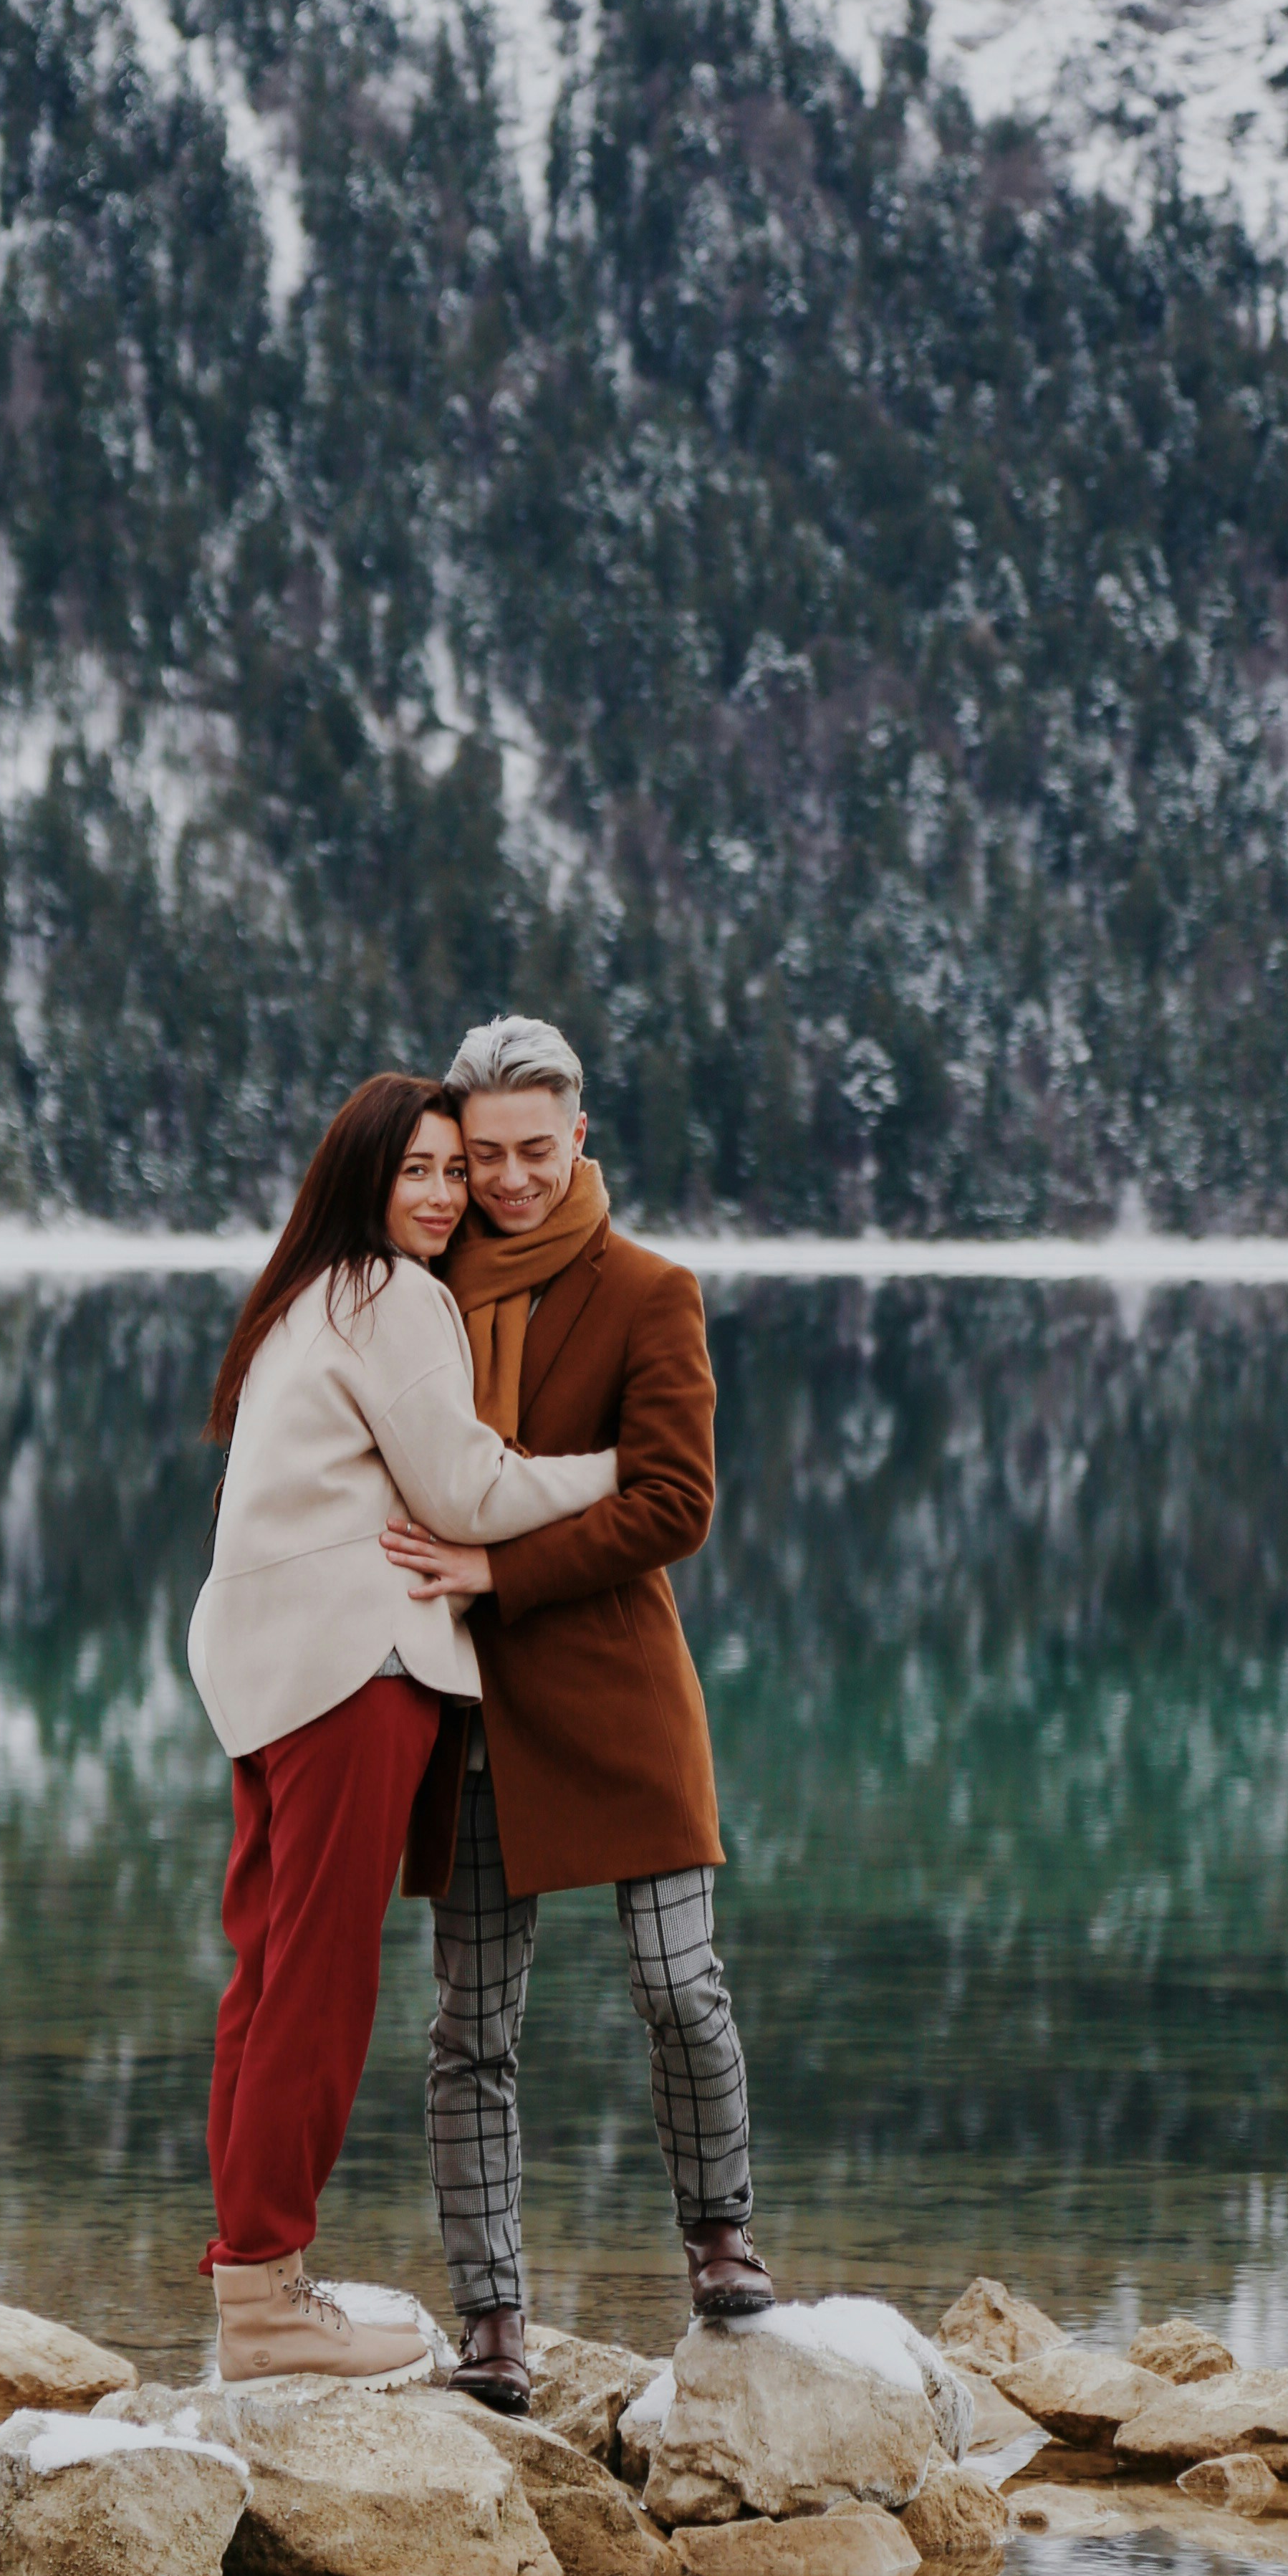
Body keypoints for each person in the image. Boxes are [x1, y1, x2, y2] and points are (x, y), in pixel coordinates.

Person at [188, 1071, 619, 2388]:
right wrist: (624, 1467)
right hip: (359, 1667)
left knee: (267, 1975)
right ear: (363, 1180)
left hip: (263, 1667)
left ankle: (252, 2278)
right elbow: (468, 1488)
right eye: (416, 1172)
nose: (441, 1197)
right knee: (319, 1981)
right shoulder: (396, 1296)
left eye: (453, 1172)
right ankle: (269, 2298)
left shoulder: (299, 1300)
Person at [380, 1015, 774, 2411]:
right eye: (485, 1155)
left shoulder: (652, 1295)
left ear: (581, 1139)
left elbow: (677, 1504)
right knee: (472, 2028)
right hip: (471, 1717)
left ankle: (722, 2242)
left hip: (616, 1701)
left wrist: (498, 1564)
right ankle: (492, 2324)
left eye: (535, 1152)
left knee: (681, 1986)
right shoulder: (409, 1291)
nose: (508, 1181)